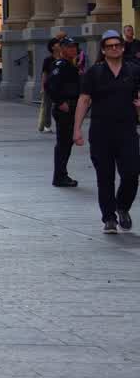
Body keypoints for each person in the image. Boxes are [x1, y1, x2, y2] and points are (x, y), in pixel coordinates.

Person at [72, 30, 140, 234]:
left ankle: (122, 206)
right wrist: (77, 130)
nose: (114, 48)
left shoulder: (134, 70)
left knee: (131, 173)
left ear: (123, 47)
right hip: (102, 131)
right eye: (110, 46)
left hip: (127, 130)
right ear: (103, 50)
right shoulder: (94, 72)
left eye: (117, 45)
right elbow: (84, 100)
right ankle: (109, 218)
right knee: (105, 176)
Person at [45, 37, 81, 188]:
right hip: (65, 109)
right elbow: (50, 85)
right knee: (63, 144)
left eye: (75, 47)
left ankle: (62, 174)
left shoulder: (70, 64)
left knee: (66, 143)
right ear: (63, 49)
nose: (74, 50)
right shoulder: (61, 65)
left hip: (71, 107)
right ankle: (60, 176)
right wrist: (60, 102)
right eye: (70, 47)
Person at [38, 38, 61, 134]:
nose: (59, 45)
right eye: (57, 44)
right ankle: (47, 125)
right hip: (49, 86)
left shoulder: (64, 59)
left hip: (60, 86)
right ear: (52, 47)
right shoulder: (48, 60)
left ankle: (60, 124)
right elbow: (44, 74)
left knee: (59, 106)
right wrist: (42, 87)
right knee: (47, 106)